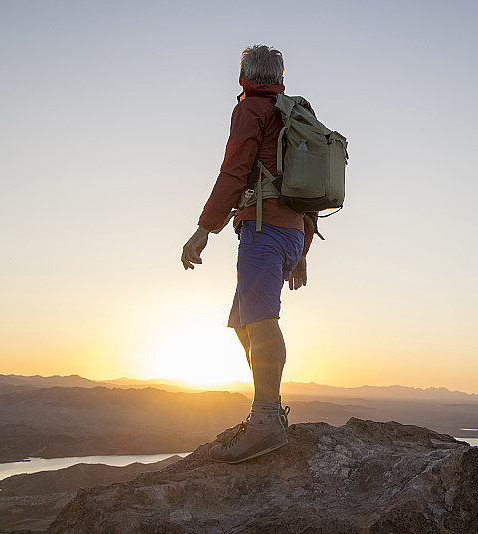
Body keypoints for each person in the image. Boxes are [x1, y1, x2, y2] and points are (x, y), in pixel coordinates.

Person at [180, 45, 316, 463]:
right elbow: (309, 185)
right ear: (281, 77)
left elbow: (234, 171)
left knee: (260, 322)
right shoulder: (295, 115)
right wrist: (303, 248)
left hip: (263, 229)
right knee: (243, 322)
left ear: (244, 78)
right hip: (290, 231)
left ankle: (265, 422)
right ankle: (269, 410)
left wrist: (203, 229)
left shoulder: (252, 110)